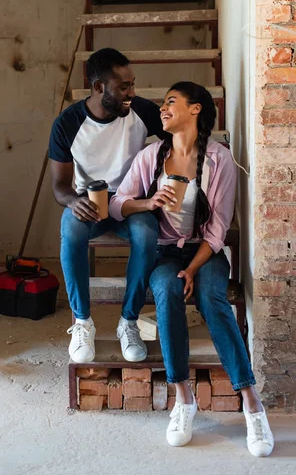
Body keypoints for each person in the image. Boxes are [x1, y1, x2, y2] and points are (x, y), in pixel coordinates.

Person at [109, 81, 274, 457]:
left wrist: (193, 270)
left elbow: (217, 231)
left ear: (196, 109)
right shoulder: (150, 156)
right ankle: (183, 399)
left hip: (204, 252)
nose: (163, 108)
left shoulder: (219, 160)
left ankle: (252, 403)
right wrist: (148, 203)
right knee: (166, 291)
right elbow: (118, 203)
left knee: (213, 297)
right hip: (165, 253)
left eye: (171, 102)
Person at [49, 48, 166, 364]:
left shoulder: (140, 110)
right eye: (124, 87)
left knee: (147, 234)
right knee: (71, 231)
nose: (133, 92)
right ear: (99, 88)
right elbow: (59, 187)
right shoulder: (68, 124)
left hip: (129, 201)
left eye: (133, 84)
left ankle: (128, 322)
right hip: (90, 203)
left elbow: (177, 138)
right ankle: (82, 322)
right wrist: (75, 202)